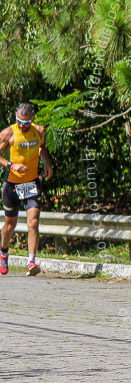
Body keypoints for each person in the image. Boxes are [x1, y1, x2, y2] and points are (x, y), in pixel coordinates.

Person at [0, 103, 54, 276]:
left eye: (26, 122)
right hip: (12, 185)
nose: (22, 126)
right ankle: (3, 252)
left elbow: (41, 147)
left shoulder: (39, 131)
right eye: (19, 122)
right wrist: (11, 165)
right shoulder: (8, 133)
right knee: (10, 225)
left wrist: (46, 163)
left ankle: (31, 262)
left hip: (31, 183)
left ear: (33, 119)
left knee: (34, 222)